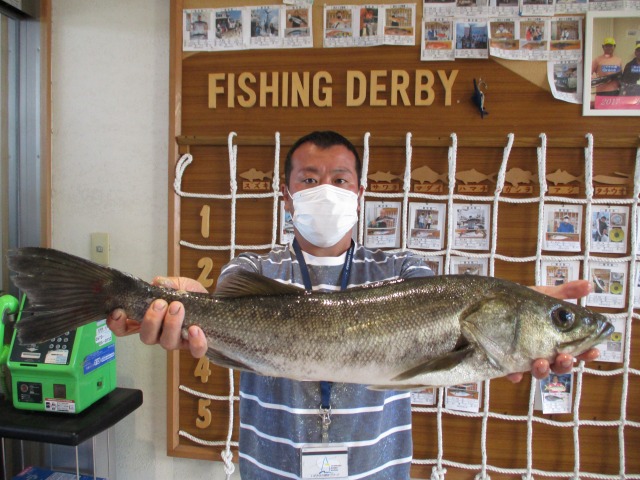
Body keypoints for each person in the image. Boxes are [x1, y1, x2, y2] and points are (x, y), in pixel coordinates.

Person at [107, 131, 599, 480]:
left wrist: (532, 320)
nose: (326, 189)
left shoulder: (407, 272)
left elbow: (462, 352)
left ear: (360, 194)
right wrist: (176, 307)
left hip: (376, 472)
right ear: (286, 194)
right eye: (308, 179)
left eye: (341, 179)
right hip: (270, 471)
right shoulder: (250, 271)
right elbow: (214, 324)